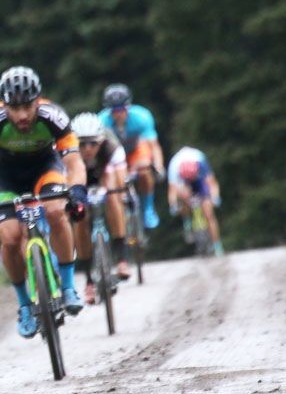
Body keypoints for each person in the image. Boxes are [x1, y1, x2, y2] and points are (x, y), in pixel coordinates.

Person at [0, 66, 88, 337]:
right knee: (9, 237)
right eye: (15, 108)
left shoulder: (54, 117)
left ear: (38, 100)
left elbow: (74, 163)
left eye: (28, 106)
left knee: (57, 211)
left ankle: (68, 286)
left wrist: (78, 192)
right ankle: (24, 304)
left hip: (45, 168)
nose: (22, 115)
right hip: (6, 176)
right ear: (4, 106)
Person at [69, 112, 130, 304]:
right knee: (79, 217)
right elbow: (65, 181)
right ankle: (88, 280)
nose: (87, 149)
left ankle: (121, 258)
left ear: (101, 141)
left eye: (93, 143)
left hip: (105, 175)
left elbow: (120, 179)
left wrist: (117, 192)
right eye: (82, 144)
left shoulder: (112, 148)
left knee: (114, 198)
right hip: (78, 180)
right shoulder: (66, 151)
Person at [98, 83, 165, 230]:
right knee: (113, 184)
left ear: (128, 107)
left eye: (121, 109)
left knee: (145, 170)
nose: (118, 114)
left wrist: (159, 166)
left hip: (136, 151)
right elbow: (100, 153)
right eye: (113, 111)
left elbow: (153, 146)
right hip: (113, 154)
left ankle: (148, 208)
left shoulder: (142, 116)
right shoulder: (101, 122)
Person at [167, 145, 224, 256]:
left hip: (199, 181)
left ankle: (217, 246)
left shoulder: (201, 161)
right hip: (183, 183)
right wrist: (173, 205)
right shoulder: (174, 166)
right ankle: (187, 218)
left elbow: (212, 183)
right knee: (183, 195)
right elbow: (172, 191)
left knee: (209, 214)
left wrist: (215, 197)